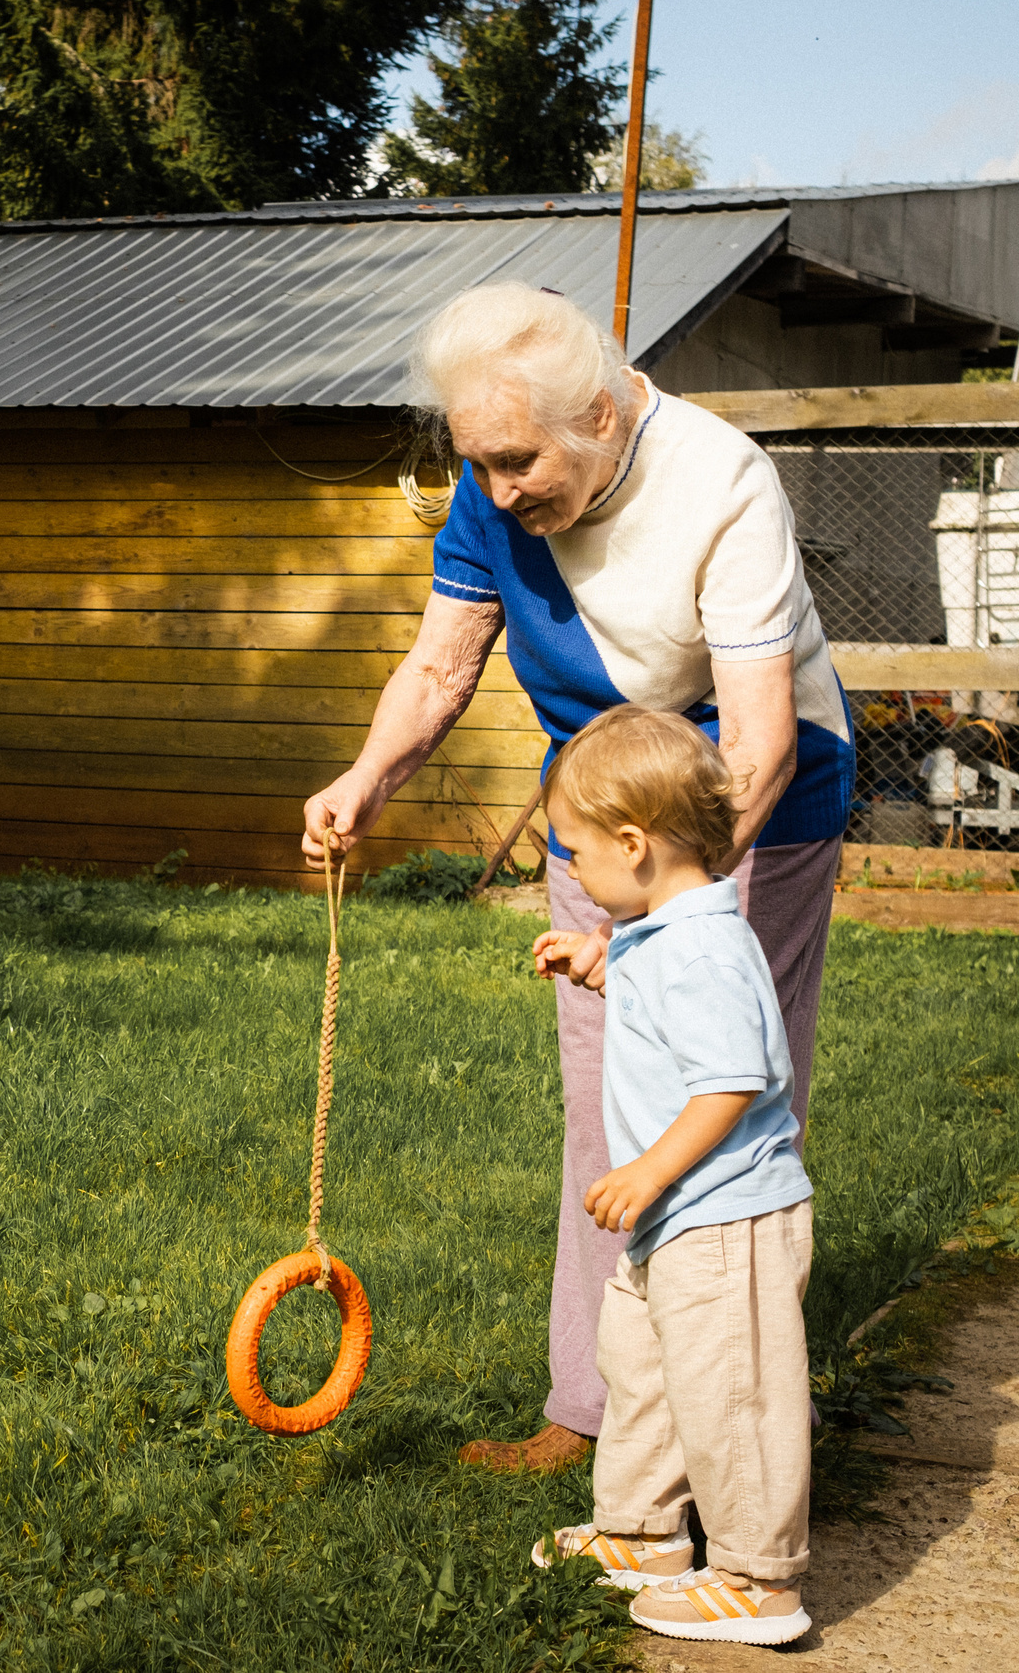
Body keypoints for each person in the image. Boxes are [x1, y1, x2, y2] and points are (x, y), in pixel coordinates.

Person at [301, 283, 853, 1471]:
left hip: (747, 813)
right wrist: (367, 781)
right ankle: (592, 1414)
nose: (498, 494)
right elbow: (440, 667)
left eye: (517, 463)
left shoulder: (723, 483)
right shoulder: (488, 482)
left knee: (728, 1110)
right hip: (599, 820)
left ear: (601, 416)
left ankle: (744, 1431)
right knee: (610, 1112)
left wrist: (671, 928)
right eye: (477, 465)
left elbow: (760, 742)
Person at [524, 705, 814, 1647]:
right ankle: (642, 1533)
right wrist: (600, 966)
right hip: (676, 1220)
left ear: (634, 843)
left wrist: (646, 1169)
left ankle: (759, 1575)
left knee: (730, 1393)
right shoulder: (662, 932)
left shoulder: (701, 946)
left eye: (572, 851)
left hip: (720, 1219)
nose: (566, 868)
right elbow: (665, 1004)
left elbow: (732, 1079)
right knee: (644, 1374)